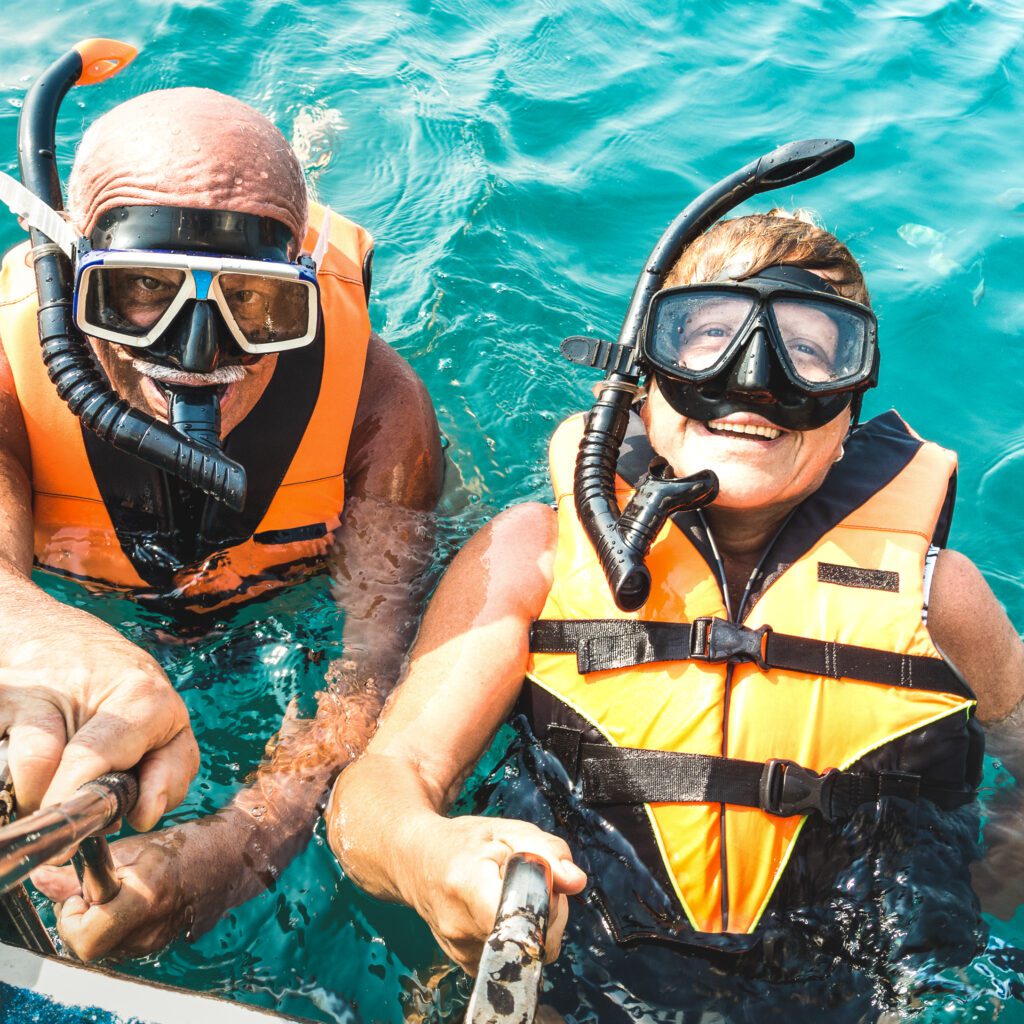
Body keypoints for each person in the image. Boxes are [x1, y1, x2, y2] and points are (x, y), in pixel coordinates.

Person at [327, 141, 1024, 1020]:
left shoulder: (939, 597)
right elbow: (379, 788)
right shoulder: (532, 557)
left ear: (850, 410)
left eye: (811, 354)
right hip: (579, 984)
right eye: (705, 339)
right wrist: (430, 856)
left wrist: (1008, 852)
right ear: (643, 382)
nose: (752, 380)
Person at [0, 54, 442, 961]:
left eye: (254, 303)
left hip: (272, 611)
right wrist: (44, 638)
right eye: (143, 292)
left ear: (306, 292)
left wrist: (245, 844)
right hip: (103, 614)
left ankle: (306, 137)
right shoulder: (10, 378)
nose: (199, 352)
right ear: (69, 277)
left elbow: (372, 665)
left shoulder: (381, 412)